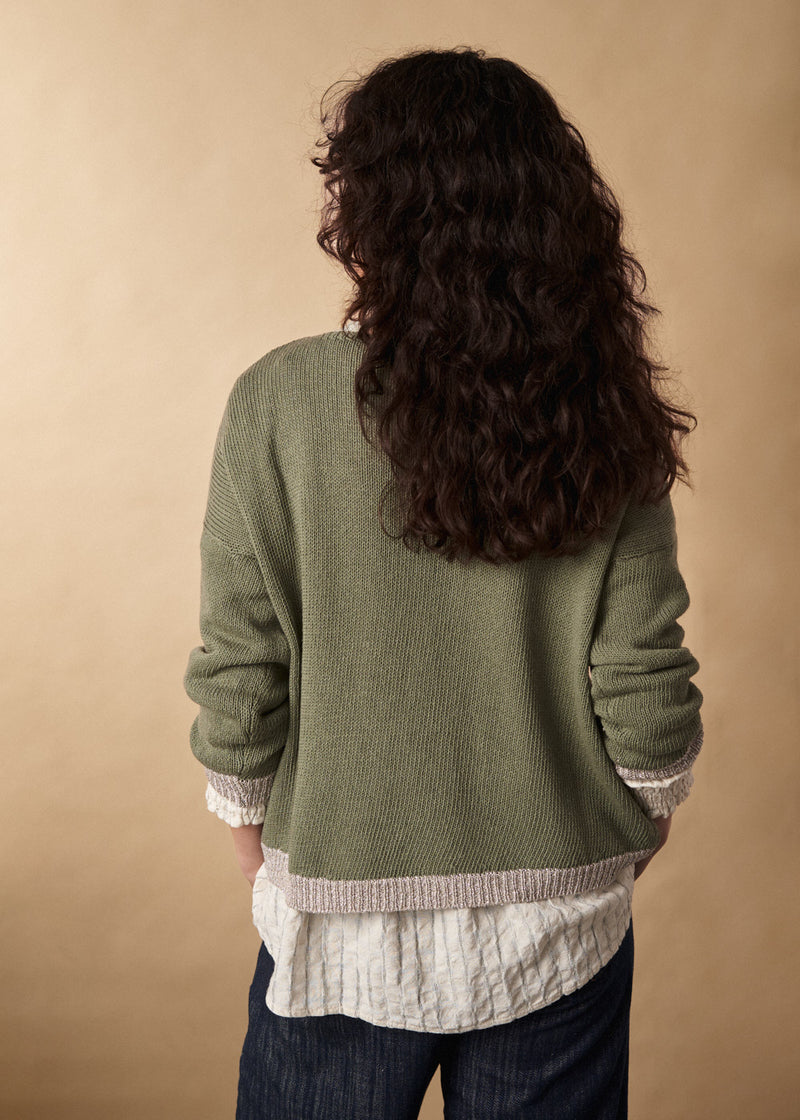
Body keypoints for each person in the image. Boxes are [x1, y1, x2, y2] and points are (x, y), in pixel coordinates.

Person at [183, 46, 703, 1120]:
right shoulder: (598, 403)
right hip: (556, 913)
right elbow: (644, 683)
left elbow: (241, 667)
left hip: (336, 914)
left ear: (366, 210)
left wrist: (257, 840)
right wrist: (622, 832)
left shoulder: (277, 402)